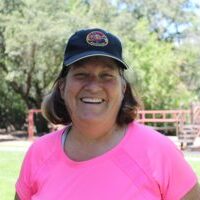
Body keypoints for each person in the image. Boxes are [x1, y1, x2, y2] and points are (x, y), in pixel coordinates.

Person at [15, 28, 200, 200]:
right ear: (62, 88)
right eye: (81, 74)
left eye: (107, 76)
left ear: (123, 89)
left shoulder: (159, 152)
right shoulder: (38, 153)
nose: (94, 86)